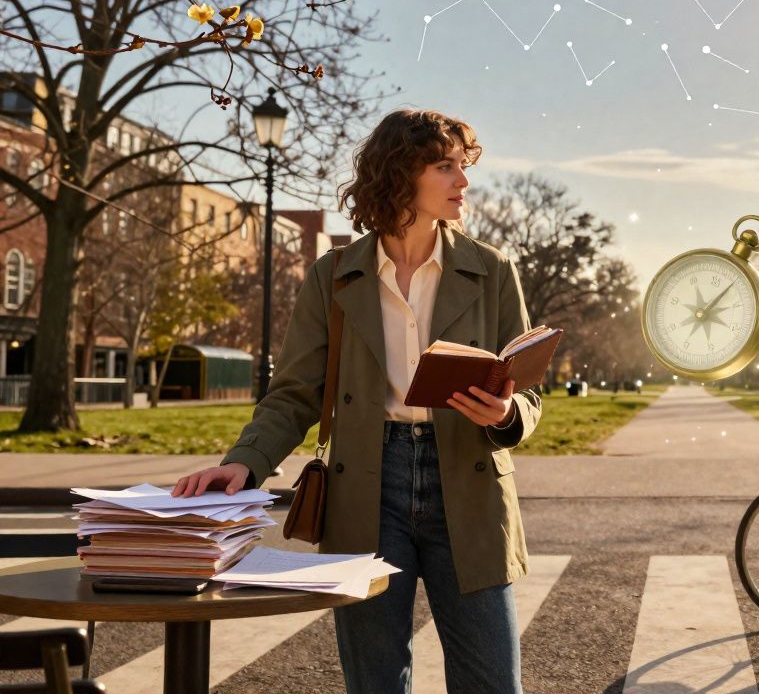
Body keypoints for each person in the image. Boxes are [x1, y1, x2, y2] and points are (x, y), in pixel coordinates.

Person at [171, 109, 542, 693]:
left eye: (462, 167)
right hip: (368, 482)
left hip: (468, 485)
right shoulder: (335, 275)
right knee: (375, 681)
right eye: (446, 167)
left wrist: (508, 413)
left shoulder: (492, 270)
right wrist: (244, 461)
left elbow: (528, 390)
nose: (462, 182)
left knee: (493, 681)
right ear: (401, 173)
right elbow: (295, 392)